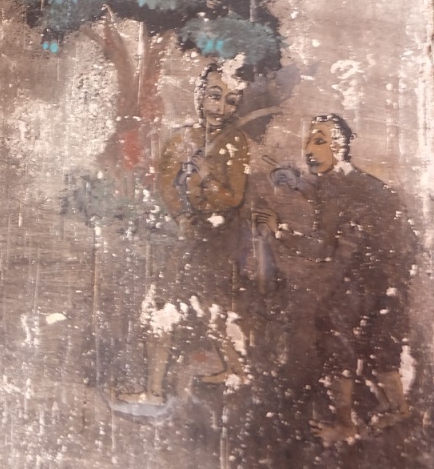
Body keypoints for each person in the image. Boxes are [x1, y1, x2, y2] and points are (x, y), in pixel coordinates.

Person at [271, 114, 414, 445]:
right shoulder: (351, 182)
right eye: (309, 140)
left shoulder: (338, 187)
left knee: (336, 333)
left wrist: (279, 231)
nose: (309, 149)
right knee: (380, 343)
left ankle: (344, 424)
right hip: (388, 277)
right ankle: (398, 407)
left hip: (373, 275)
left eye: (319, 140)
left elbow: (322, 246)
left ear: (341, 146)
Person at [116, 62, 251, 409]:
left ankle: (157, 391)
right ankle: (230, 373)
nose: (221, 108)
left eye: (231, 101)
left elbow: (233, 198)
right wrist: (181, 216)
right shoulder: (183, 138)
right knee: (191, 307)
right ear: (200, 95)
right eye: (215, 96)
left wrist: (205, 177)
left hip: (217, 239)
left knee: (185, 307)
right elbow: (165, 185)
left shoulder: (235, 143)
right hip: (191, 235)